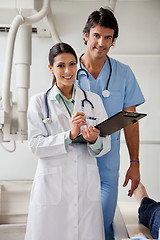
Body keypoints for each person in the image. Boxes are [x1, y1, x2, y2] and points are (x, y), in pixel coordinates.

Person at [24, 42, 111, 240]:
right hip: (52, 187)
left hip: (85, 184)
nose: (67, 71)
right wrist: (68, 136)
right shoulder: (39, 102)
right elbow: (35, 146)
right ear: (51, 69)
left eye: (72, 64)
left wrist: (94, 140)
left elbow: (106, 144)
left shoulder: (93, 100)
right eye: (61, 65)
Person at [75, 7, 145, 240]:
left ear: (113, 40)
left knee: (102, 226)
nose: (101, 43)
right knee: (74, 228)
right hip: (73, 161)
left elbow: (131, 123)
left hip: (107, 166)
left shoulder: (124, 74)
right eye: (96, 35)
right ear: (86, 35)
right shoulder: (68, 71)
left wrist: (134, 163)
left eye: (108, 37)